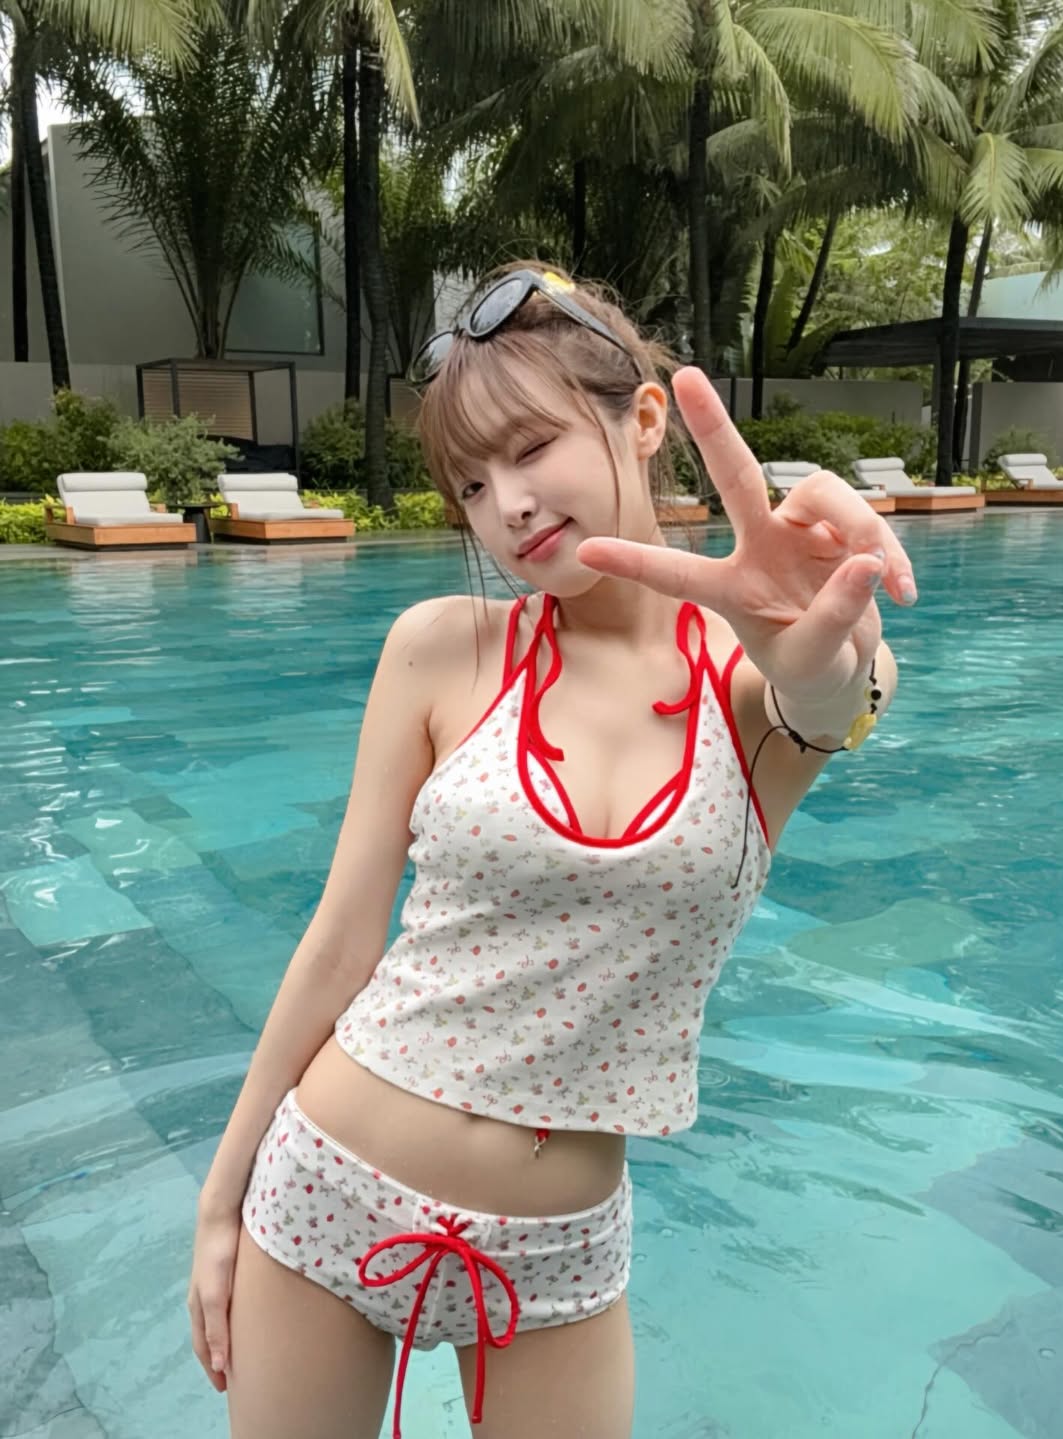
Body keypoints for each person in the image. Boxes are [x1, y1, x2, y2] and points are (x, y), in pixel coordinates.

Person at [188, 263, 914, 1439]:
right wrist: (221, 1200)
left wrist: (828, 663)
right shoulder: (443, 647)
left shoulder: (750, 686)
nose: (509, 505)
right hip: (329, 1178)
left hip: (557, 1249)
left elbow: (843, 698)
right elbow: (339, 941)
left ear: (644, 419)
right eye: (473, 483)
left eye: (532, 448)